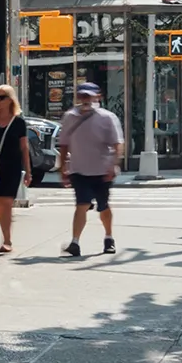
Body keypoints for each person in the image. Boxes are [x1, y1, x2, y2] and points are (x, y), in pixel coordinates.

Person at [58, 82, 124, 257]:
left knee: (103, 207)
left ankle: (109, 238)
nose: (85, 100)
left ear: (97, 97)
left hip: (102, 171)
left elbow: (118, 144)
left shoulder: (107, 118)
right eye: (82, 96)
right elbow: (64, 144)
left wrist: (113, 164)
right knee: (82, 204)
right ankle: (75, 242)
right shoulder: (70, 117)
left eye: (89, 96)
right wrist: (62, 167)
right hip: (79, 170)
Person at [0, 85, 32, 255]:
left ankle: (7, 240)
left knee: (7, 203)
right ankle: (6, 237)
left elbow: (24, 148)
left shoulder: (18, 122)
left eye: (1, 97)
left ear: (10, 99)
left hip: (12, 166)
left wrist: (28, 171)